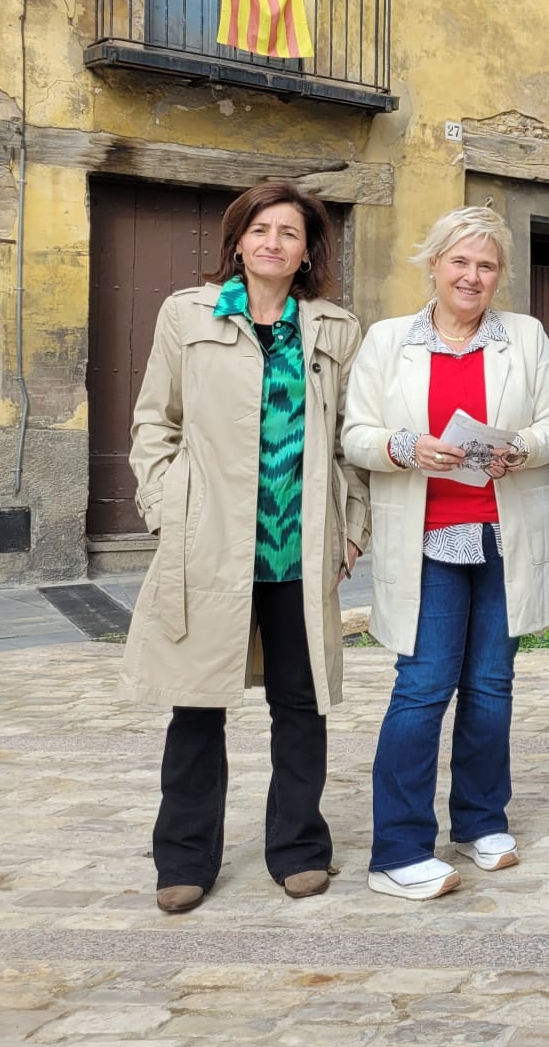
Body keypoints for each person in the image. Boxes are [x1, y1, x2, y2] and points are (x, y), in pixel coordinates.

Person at [121, 180, 369, 913]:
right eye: (260, 229)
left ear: (305, 253)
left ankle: (298, 848)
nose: (272, 242)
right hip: (211, 544)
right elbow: (154, 421)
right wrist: (166, 508)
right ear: (237, 241)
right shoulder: (186, 314)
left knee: (303, 705)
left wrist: (352, 528)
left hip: (298, 544)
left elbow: (353, 440)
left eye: (288, 233)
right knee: (196, 706)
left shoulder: (332, 330)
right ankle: (184, 859)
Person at [342, 207, 549, 900]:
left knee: (492, 686)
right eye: (461, 262)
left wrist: (521, 448)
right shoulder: (387, 342)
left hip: (504, 533)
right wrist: (406, 447)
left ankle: (478, 821)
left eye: (487, 265)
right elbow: (355, 434)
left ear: (499, 275)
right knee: (423, 686)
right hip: (426, 538)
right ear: (435, 265)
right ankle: (399, 848)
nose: (473, 276)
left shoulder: (525, 338)